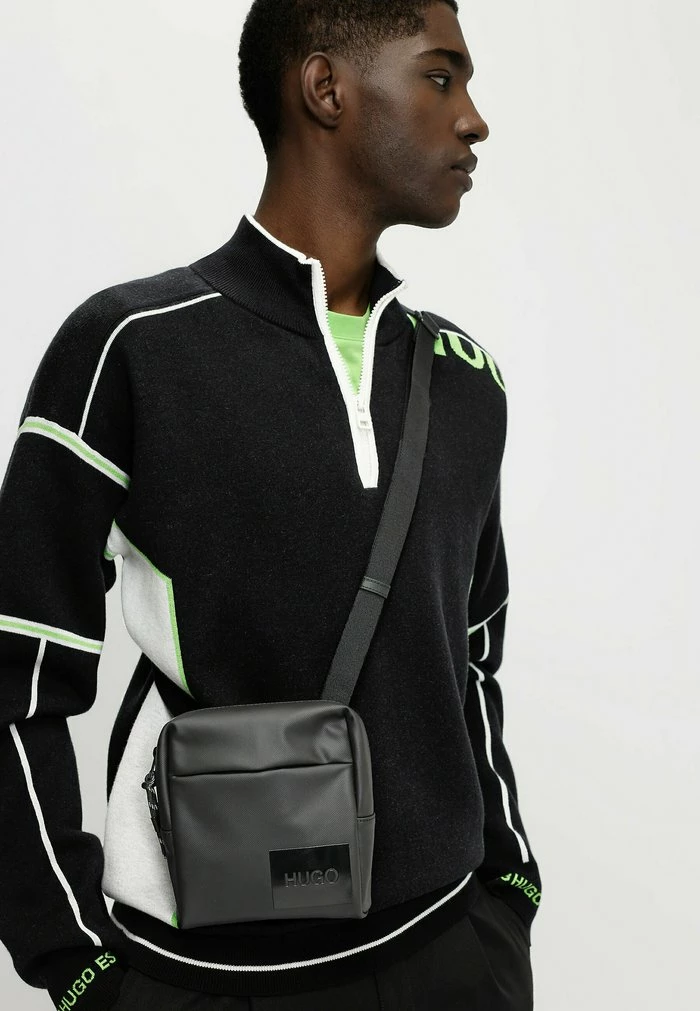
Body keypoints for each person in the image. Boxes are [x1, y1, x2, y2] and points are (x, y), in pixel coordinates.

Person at [0, 1, 542, 1008]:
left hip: (452, 954)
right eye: (440, 76)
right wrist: (75, 964)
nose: (473, 118)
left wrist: (507, 894)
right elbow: (18, 676)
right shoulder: (133, 348)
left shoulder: (465, 379)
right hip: (205, 975)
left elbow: (472, 657)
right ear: (326, 89)